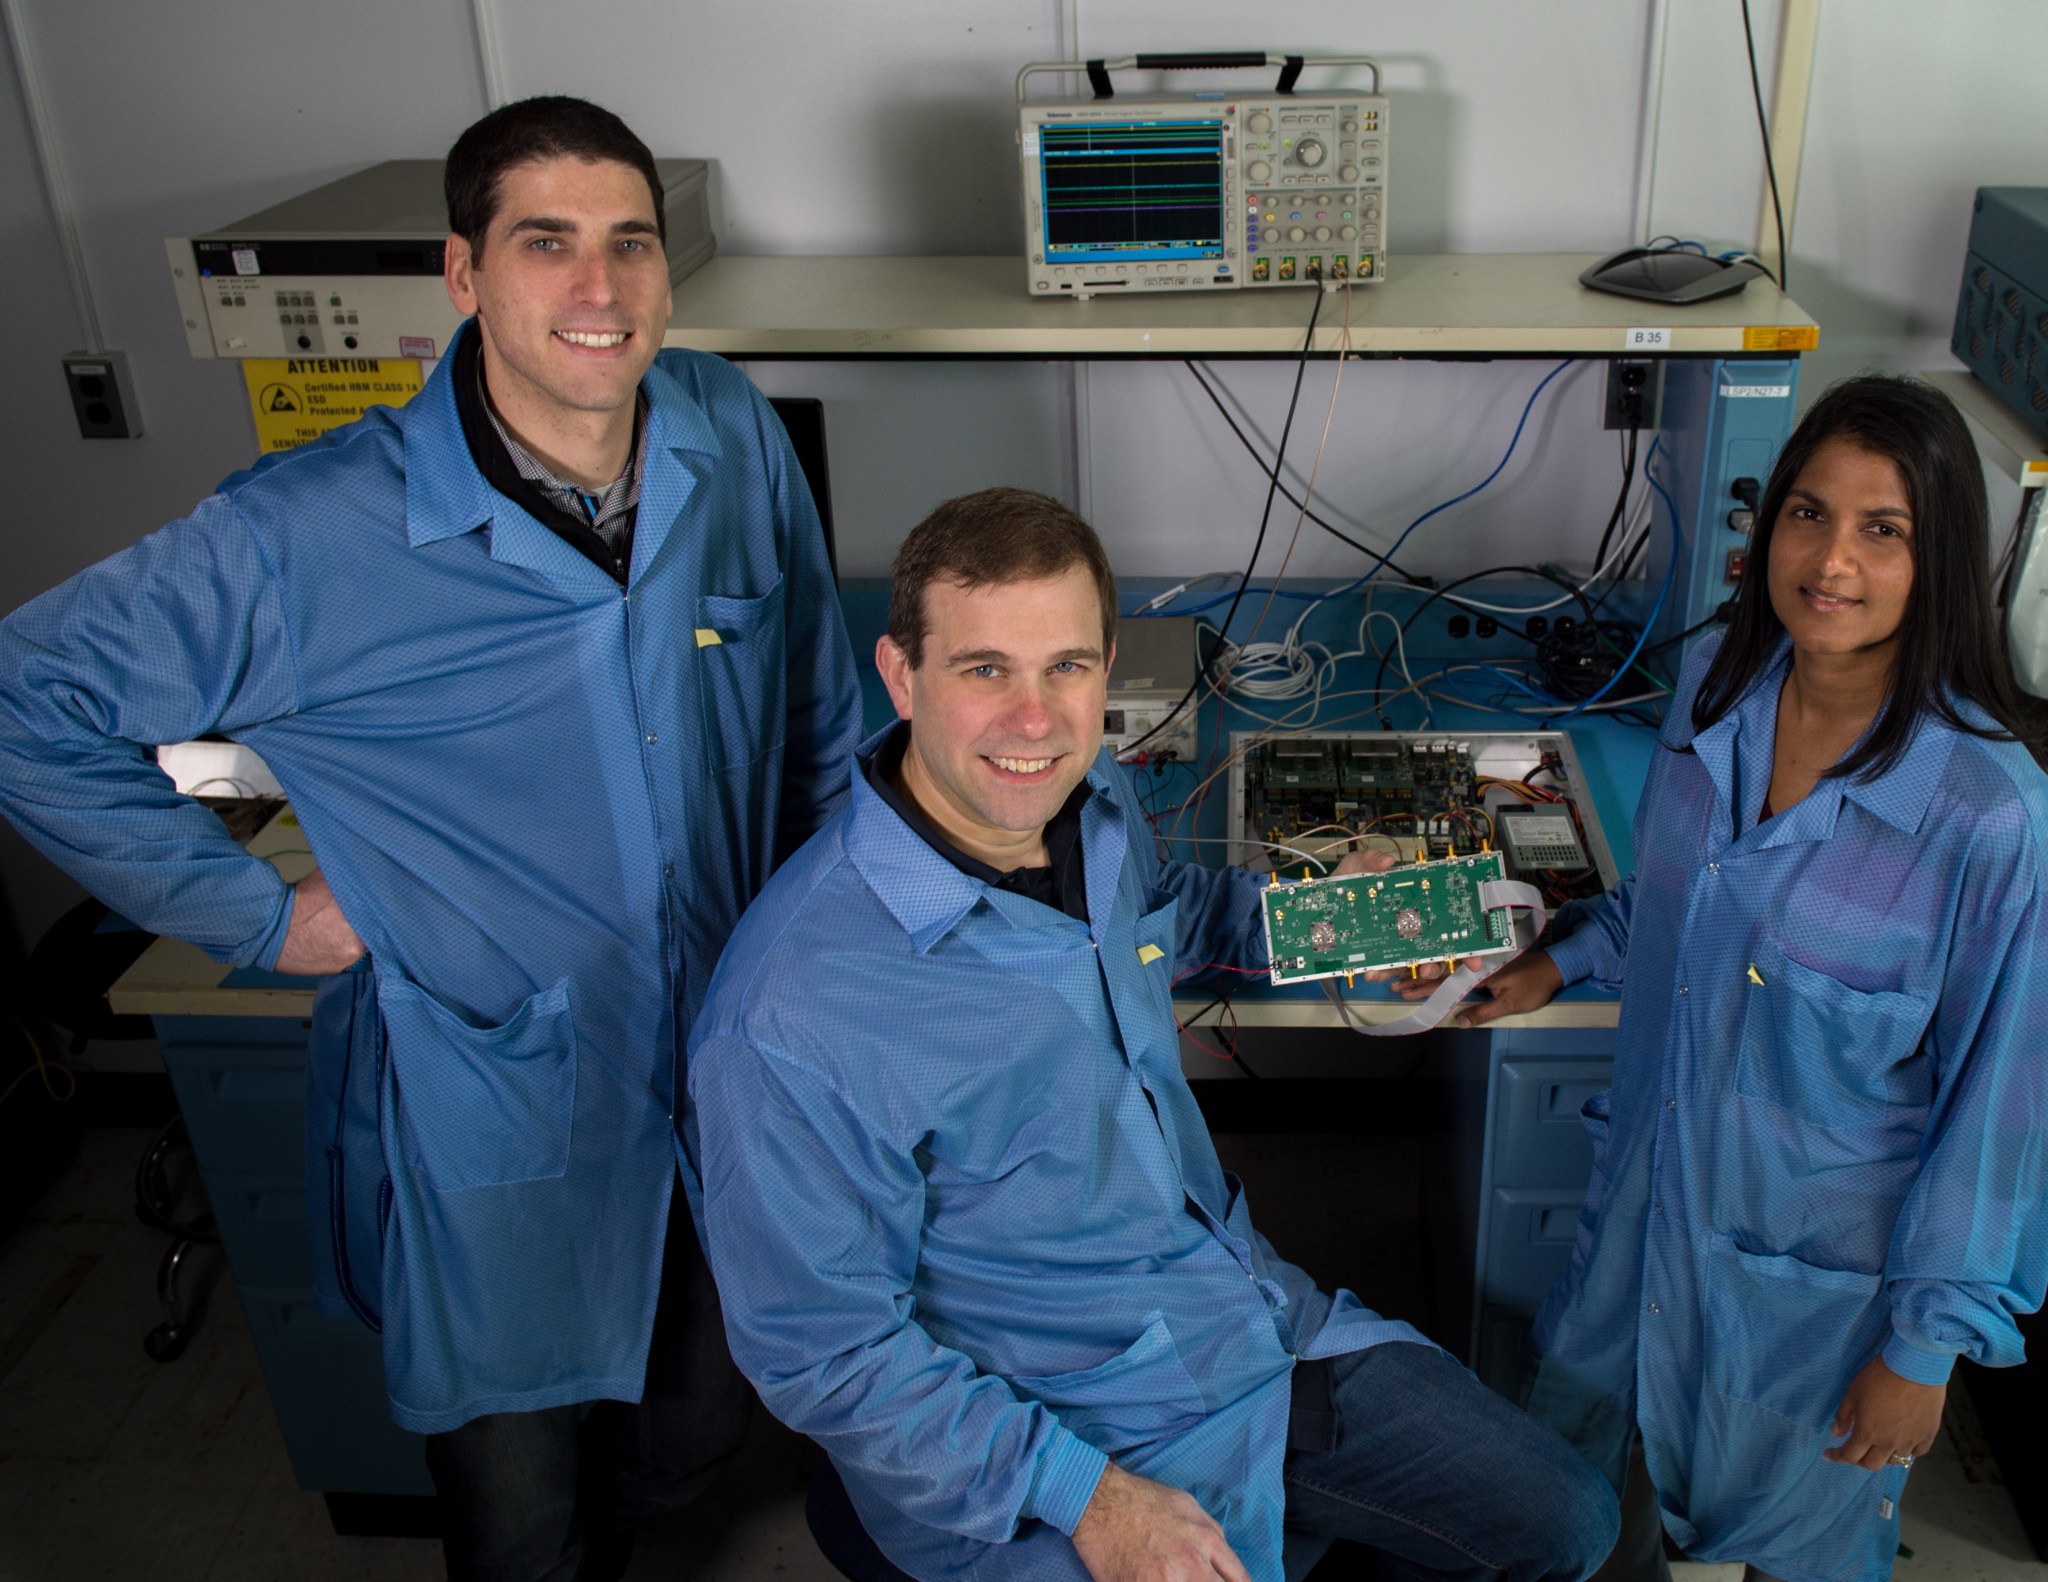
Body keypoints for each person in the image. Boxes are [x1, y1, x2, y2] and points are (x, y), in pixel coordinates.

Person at [0, 96, 859, 1580]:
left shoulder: (724, 425)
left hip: (731, 1058)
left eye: (628, 243)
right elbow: (30, 701)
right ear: (465, 276)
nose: (599, 289)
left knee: (703, 1422)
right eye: (547, 245)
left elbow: (819, 717)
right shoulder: (306, 534)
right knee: (519, 1513)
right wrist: (268, 916)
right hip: (503, 1085)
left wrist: (846, 947)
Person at [684, 487, 1619, 1582]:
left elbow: (1165, 914)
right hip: (1043, 1434)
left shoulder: (1085, 797)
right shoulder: (791, 1013)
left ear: (1106, 663)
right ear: (901, 674)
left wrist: (1334, 921)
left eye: (1065, 666)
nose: (1033, 721)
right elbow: (828, 1356)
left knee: (1567, 1522)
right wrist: (1089, 1498)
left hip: (1233, 1319)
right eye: (984, 668)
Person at [1384, 375, 2048, 1582]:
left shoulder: (1984, 817)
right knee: (1565, 1515)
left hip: (1804, 1303)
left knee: (1787, 1551)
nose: (1830, 559)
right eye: (1806, 513)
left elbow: (1999, 1118)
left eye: (1880, 529)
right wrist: (1559, 960)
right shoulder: (1718, 694)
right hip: (1636, 1226)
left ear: (1939, 555)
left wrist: (1923, 1349)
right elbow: (1686, 908)